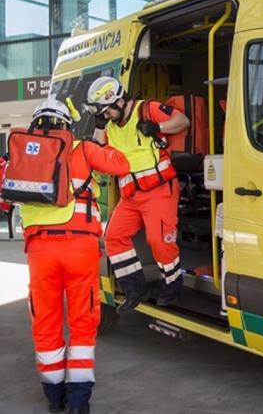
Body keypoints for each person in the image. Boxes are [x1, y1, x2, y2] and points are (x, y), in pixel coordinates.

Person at [16, 99, 129, 414]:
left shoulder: (21, 154)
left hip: (40, 252)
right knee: (82, 320)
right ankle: (79, 401)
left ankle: (55, 396)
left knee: (45, 320)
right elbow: (121, 166)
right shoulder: (83, 149)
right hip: (80, 248)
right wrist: (100, 138)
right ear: (67, 124)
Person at [85, 77, 190, 313]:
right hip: (131, 196)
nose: (107, 116)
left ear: (119, 101)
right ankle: (135, 288)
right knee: (113, 237)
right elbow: (97, 153)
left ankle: (172, 285)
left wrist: (157, 128)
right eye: (103, 114)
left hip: (159, 191)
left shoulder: (147, 109)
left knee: (159, 240)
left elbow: (183, 121)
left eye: (107, 111)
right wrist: (99, 125)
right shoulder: (111, 127)